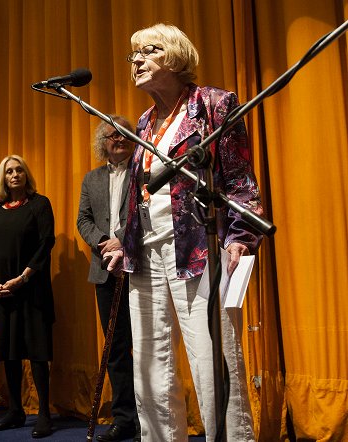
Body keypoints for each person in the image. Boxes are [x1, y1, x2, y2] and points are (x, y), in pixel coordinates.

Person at [106, 23, 263, 441]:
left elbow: (240, 182)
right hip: (146, 255)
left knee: (213, 363)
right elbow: (142, 193)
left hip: (197, 249)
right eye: (131, 55)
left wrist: (240, 238)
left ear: (174, 56)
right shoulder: (143, 120)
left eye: (146, 52)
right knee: (151, 369)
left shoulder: (213, 103)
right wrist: (124, 239)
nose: (135, 61)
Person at [0, 155, 56, 439]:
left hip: (31, 290)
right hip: (1, 291)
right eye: (9, 171)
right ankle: (15, 410)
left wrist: (23, 278)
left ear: (26, 174)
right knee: (8, 353)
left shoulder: (39, 204)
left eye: (19, 170)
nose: (15, 174)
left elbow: (46, 243)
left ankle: (44, 414)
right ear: (3, 177)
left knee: (37, 353)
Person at [76, 117, 139, 441]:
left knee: (144, 346)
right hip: (104, 270)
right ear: (103, 142)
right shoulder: (92, 179)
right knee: (114, 348)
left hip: (138, 267)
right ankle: (124, 418)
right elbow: (83, 219)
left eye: (124, 133)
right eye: (112, 135)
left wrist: (120, 239)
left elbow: (143, 211)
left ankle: (149, 419)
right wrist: (104, 241)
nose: (119, 139)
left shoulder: (142, 170)